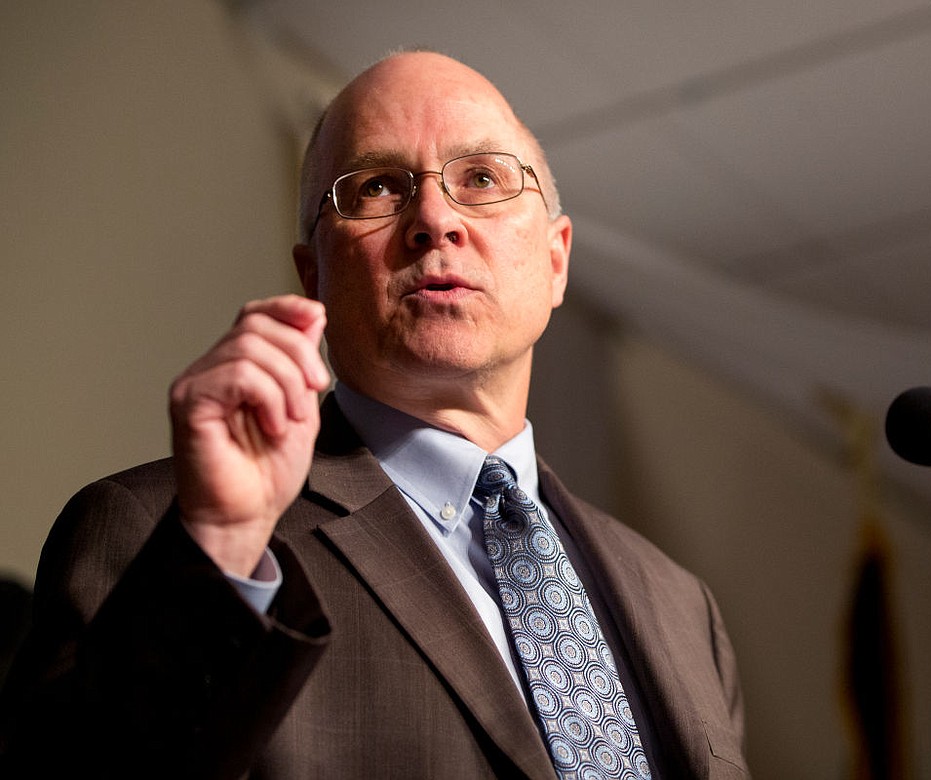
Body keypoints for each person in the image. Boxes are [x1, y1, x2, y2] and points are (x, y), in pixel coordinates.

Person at [0, 51, 748, 778]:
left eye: (481, 178)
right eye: (378, 188)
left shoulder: (682, 606)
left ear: (555, 261)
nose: (433, 219)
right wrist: (218, 550)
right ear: (313, 273)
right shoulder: (161, 532)